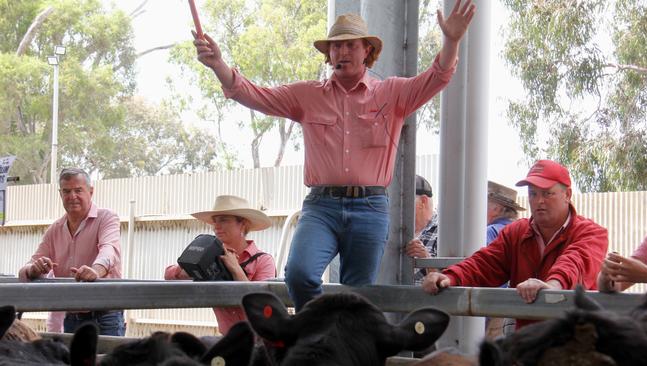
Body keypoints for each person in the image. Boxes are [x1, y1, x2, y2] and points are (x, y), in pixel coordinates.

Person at [192, 0, 476, 310]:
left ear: (367, 50)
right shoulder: (307, 95)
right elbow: (252, 94)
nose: (342, 52)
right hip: (321, 206)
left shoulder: (391, 93)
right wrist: (218, 64)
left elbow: (438, 76)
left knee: (357, 294)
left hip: (370, 206)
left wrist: (451, 40)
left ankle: (339, 345)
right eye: (336, 46)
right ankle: (319, 330)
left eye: (350, 45)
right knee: (299, 274)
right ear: (329, 54)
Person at [422, 160, 609, 329]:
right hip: (528, 342)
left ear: (567, 194)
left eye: (547, 193)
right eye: (533, 194)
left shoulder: (591, 233)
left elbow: (575, 261)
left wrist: (553, 286)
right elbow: (485, 263)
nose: (538, 201)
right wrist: (450, 277)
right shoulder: (515, 233)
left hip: (575, 342)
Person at [18, 168, 124, 336]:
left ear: (91, 191)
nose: (72, 196)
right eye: (66, 191)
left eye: (78, 190)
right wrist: (34, 269)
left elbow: (109, 249)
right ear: (60, 194)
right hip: (71, 318)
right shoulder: (55, 229)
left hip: (105, 316)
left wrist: (95, 271)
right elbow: (27, 268)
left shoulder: (107, 218)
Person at [164, 195, 276, 335]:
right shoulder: (210, 256)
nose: (216, 226)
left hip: (261, 339)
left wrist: (236, 269)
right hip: (229, 338)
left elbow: (261, 304)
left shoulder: (263, 260)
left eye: (223, 220)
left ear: (243, 224)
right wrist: (184, 272)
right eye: (214, 221)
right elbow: (168, 274)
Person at [484, 180, 525, 339]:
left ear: (496, 209)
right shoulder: (522, 232)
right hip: (518, 306)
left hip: (492, 307)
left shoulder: (491, 231)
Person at [404, 175, 438, 285]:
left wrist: (426, 258)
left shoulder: (443, 232)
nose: (398, 206)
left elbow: (449, 280)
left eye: (405, 200)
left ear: (423, 201)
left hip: (428, 301)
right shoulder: (396, 231)